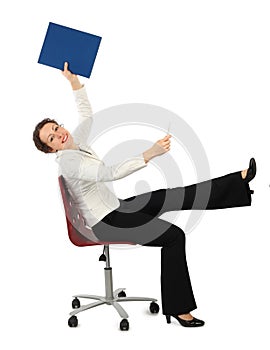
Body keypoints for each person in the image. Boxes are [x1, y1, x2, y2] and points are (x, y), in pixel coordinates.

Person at [33, 62, 256, 328]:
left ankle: (238, 182)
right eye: (52, 138)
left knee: (172, 196)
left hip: (116, 208)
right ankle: (179, 309)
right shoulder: (67, 161)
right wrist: (149, 154)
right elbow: (108, 173)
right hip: (106, 223)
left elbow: (87, 115)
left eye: (56, 128)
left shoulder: (75, 143)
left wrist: (73, 81)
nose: (59, 134)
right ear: (49, 150)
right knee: (174, 237)